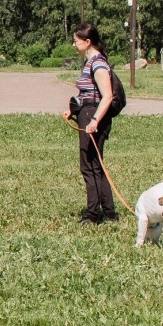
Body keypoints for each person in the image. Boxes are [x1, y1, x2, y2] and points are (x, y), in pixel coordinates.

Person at [65, 23, 118, 224]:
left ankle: (93, 214)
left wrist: (94, 120)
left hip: (94, 116)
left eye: (76, 41)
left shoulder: (98, 64)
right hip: (86, 113)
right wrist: (73, 110)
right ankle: (109, 213)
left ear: (87, 42)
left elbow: (107, 96)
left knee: (90, 166)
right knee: (95, 165)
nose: (73, 44)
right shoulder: (90, 62)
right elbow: (87, 94)